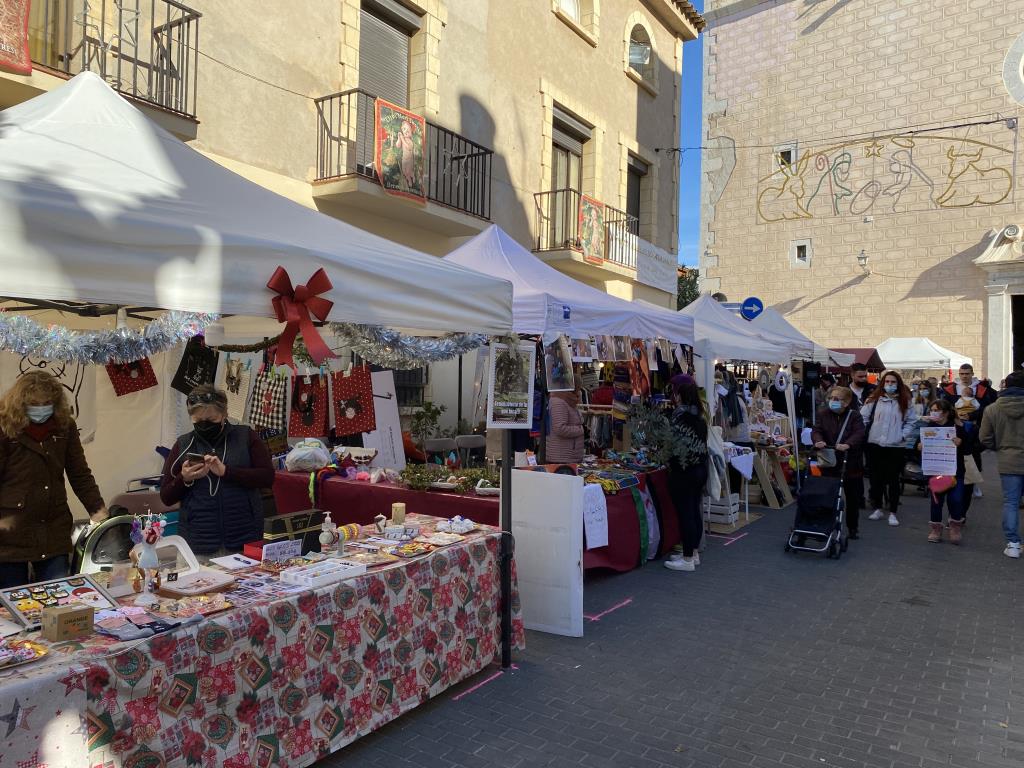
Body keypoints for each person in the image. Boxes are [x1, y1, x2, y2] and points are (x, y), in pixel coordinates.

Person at [0, 371, 108, 588]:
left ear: (56, 401)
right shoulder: (4, 426)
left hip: (54, 527)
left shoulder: (65, 426)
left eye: (46, 402)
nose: (41, 407)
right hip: (9, 530)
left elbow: (79, 474)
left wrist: (98, 510)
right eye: (34, 403)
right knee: (11, 607)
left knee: (57, 601)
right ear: (21, 402)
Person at [160, 385, 275, 557]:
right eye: (198, 422)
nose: (205, 425)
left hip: (244, 540)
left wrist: (227, 472)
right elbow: (166, 496)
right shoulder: (183, 444)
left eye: (211, 420)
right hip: (197, 545)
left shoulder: (245, 437)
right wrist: (184, 479)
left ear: (224, 415)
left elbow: (267, 477)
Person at [664, 375, 709, 572]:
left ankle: (688, 558)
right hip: (699, 469)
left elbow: (674, 446)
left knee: (686, 514)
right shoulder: (699, 416)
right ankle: (693, 553)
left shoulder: (681, 417)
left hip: (685, 471)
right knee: (693, 511)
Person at [918, 399, 976, 544]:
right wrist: (919, 446)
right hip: (936, 470)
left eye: (936, 410)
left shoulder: (957, 428)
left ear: (945, 412)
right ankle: (936, 529)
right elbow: (918, 446)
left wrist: (960, 443)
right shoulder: (928, 428)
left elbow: (969, 449)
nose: (933, 413)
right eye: (932, 410)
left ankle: (955, 527)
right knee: (936, 501)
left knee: (956, 499)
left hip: (955, 471)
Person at [979, 371, 1024, 558]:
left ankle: (1013, 543)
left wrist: (1000, 447)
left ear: (1005, 386)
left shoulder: (992, 409)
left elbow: (984, 438)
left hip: (1008, 460)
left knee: (1011, 503)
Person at [811, 386, 866, 538]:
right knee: (828, 494)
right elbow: (817, 430)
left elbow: (859, 432)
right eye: (831, 398)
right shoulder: (823, 414)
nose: (832, 401)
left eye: (837, 399)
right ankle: (824, 525)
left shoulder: (854, 416)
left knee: (852, 497)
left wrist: (848, 444)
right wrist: (818, 441)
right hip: (830, 461)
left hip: (851, 462)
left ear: (847, 402)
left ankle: (853, 527)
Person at [861, 370, 915, 526]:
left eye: (893, 382)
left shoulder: (905, 401)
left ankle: (892, 512)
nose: (890, 385)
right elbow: (863, 417)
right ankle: (877, 508)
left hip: (895, 446)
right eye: (887, 382)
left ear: (898, 384)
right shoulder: (873, 400)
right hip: (875, 444)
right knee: (875, 479)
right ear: (882, 383)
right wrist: (867, 433)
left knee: (893, 480)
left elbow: (911, 422)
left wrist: (902, 436)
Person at [942, 363, 997, 501]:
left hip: (975, 427)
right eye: (962, 374)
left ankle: (974, 482)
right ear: (959, 374)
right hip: (956, 426)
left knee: (973, 454)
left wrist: (971, 416)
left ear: (972, 374)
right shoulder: (951, 389)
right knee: (957, 455)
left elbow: (987, 408)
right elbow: (945, 406)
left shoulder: (982, 390)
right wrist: (955, 415)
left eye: (967, 373)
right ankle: (956, 481)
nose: (964, 376)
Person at [546, 387, 585, 464]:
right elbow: (560, 428)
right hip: (561, 457)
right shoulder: (558, 402)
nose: (580, 391)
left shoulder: (569, 401)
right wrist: (580, 430)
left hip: (569, 455)